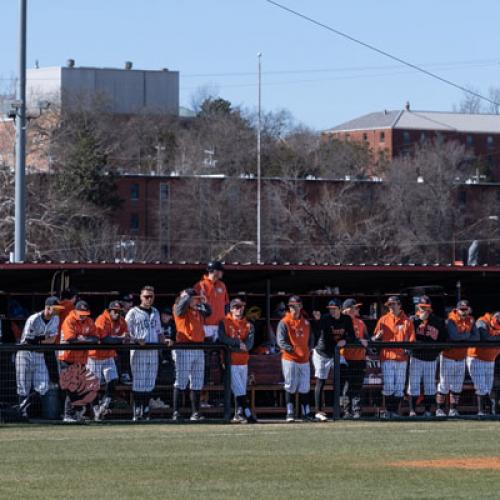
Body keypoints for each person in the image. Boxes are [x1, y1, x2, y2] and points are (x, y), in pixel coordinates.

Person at [15, 297, 64, 418]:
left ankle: (24, 407)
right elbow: (29, 340)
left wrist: (40, 339)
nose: (58, 311)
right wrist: (43, 339)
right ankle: (22, 413)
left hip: (40, 354)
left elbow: (52, 340)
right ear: (47, 307)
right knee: (23, 386)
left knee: (43, 386)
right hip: (25, 354)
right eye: (56, 308)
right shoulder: (34, 319)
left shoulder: (56, 319)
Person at [125, 286, 165, 421]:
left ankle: (146, 409)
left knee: (150, 380)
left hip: (153, 350)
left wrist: (164, 342)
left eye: (151, 296)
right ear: (141, 297)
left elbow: (159, 331)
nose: (149, 299)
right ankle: (137, 409)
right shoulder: (133, 312)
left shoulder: (155, 311)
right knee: (139, 381)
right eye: (146, 296)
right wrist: (136, 340)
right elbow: (126, 333)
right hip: (138, 351)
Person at [312, 298, 355, 421]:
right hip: (322, 353)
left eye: (334, 309)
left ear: (340, 309)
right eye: (330, 309)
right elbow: (319, 329)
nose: (332, 311)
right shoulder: (325, 319)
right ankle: (319, 411)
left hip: (335, 353)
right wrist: (317, 320)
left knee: (345, 374)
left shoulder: (346, 319)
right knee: (321, 380)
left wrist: (345, 340)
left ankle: (345, 408)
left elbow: (352, 335)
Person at [372, 296, 415, 419]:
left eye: (393, 304)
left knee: (399, 387)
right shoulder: (383, 319)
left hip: (402, 358)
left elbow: (412, 340)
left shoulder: (407, 321)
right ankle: (389, 411)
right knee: (389, 386)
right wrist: (377, 337)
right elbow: (374, 338)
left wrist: (408, 348)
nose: (391, 307)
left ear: (399, 305)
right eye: (389, 305)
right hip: (387, 357)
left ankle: (394, 412)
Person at [172, 288, 212, 421]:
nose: (196, 301)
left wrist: (203, 303)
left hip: (198, 348)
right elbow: (179, 308)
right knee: (181, 381)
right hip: (184, 347)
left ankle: (195, 413)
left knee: (197, 382)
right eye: (193, 299)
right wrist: (186, 297)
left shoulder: (198, 310)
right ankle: (176, 412)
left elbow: (209, 312)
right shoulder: (179, 308)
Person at [87, 301, 129, 421]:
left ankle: (104, 405)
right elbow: (105, 339)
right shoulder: (102, 319)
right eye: (114, 311)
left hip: (109, 355)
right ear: (109, 311)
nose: (117, 314)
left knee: (113, 379)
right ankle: (95, 409)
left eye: (119, 312)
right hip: (94, 356)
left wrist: (123, 338)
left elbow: (126, 336)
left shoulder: (122, 321)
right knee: (93, 385)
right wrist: (120, 339)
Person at [58, 300, 99, 423]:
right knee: (71, 386)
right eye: (81, 313)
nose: (83, 316)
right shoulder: (69, 320)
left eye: (85, 313)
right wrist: (86, 340)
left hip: (81, 359)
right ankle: (67, 414)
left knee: (78, 387)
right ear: (75, 311)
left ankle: (74, 413)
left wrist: (82, 339)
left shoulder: (90, 321)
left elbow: (96, 338)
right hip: (67, 358)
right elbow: (71, 339)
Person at [437, 299, 478, 417]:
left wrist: (463, 337)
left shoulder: (470, 319)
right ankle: (439, 409)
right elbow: (454, 337)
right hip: (448, 357)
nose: (464, 312)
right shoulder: (451, 319)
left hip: (461, 357)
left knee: (457, 385)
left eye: (466, 309)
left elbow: (476, 337)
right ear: (457, 309)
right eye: (462, 309)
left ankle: (453, 410)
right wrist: (467, 336)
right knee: (444, 384)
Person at [218, 298, 257, 423]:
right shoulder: (224, 322)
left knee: (240, 390)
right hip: (230, 361)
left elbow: (249, 345)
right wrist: (238, 343)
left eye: (240, 307)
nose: (238, 309)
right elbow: (223, 339)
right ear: (231, 308)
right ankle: (247, 414)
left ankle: (239, 413)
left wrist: (235, 347)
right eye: (235, 307)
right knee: (239, 389)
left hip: (243, 361)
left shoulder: (249, 324)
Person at [407, 296, 446, 417]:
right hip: (416, 358)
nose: (424, 310)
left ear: (430, 308)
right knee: (413, 385)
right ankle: (412, 410)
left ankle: (428, 411)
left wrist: (435, 352)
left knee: (430, 386)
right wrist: (419, 320)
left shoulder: (438, 321)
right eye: (422, 307)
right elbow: (407, 334)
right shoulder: (412, 320)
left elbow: (443, 340)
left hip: (431, 359)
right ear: (418, 307)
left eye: (426, 307)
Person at [277, 296, 314, 422]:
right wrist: (293, 350)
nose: (293, 308)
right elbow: (280, 341)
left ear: (301, 306)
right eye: (291, 306)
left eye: (296, 305)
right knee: (290, 385)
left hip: (304, 359)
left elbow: (311, 339)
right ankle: (290, 413)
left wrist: (309, 350)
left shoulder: (306, 322)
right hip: (290, 358)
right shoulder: (284, 322)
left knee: (304, 386)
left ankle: (306, 413)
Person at [467, 311, 500, 416]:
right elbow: (485, 337)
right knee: (481, 386)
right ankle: (484, 411)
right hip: (476, 358)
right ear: (494, 318)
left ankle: (485, 411)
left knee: (488, 387)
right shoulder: (482, 321)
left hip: (491, 360)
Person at [341, 298, 369, 419]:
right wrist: (359, 341)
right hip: (345, 359)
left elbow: (367, 339)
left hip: (359, 358)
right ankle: (346, 412)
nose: (357, 309)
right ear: (347, 310)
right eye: (355, 308)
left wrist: (371, 340)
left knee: (357, 386)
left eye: (357, 308)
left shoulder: (361, 323)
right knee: (346, 387)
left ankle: (356, 411)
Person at [193, 260, 229, 342]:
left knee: (218, 353)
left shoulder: (222, 285)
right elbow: (194, 306)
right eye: (221, 270)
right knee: (205, 352)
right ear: (214, 271)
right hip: (205, 325)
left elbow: (226, 304)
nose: (222, 272)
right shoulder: (200, 285)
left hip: (220, 325)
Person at [117, 293, 134, 385]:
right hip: (118, 341)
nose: (130, 304)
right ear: (122, 302)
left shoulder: (134, 312)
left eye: (131, 302)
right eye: (127, 302)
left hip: (131, 340)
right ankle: (124, 374)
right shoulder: (117, 312)